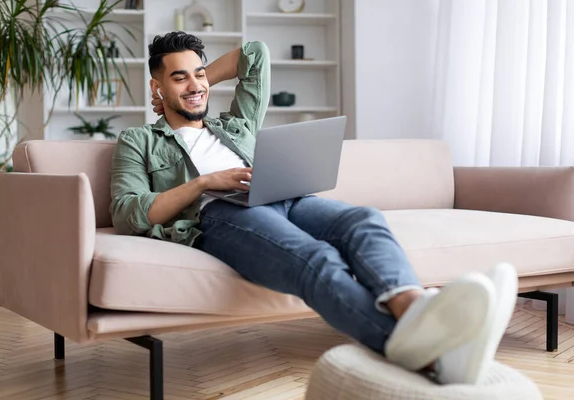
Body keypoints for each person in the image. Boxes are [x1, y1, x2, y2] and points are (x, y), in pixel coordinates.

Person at [109, 31, 518, 385]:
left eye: (198, 73)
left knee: (364, 219)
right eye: (177, 77)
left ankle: (413, 308)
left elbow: (255, 54)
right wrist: (204, 182)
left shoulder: (236, 124)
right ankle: (432, 354)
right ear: (155, 87)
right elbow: (128, 212)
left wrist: (197, 82)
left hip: (284, 197)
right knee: (316, 259)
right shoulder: (138, 139)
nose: (194, 83)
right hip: (222, 212)